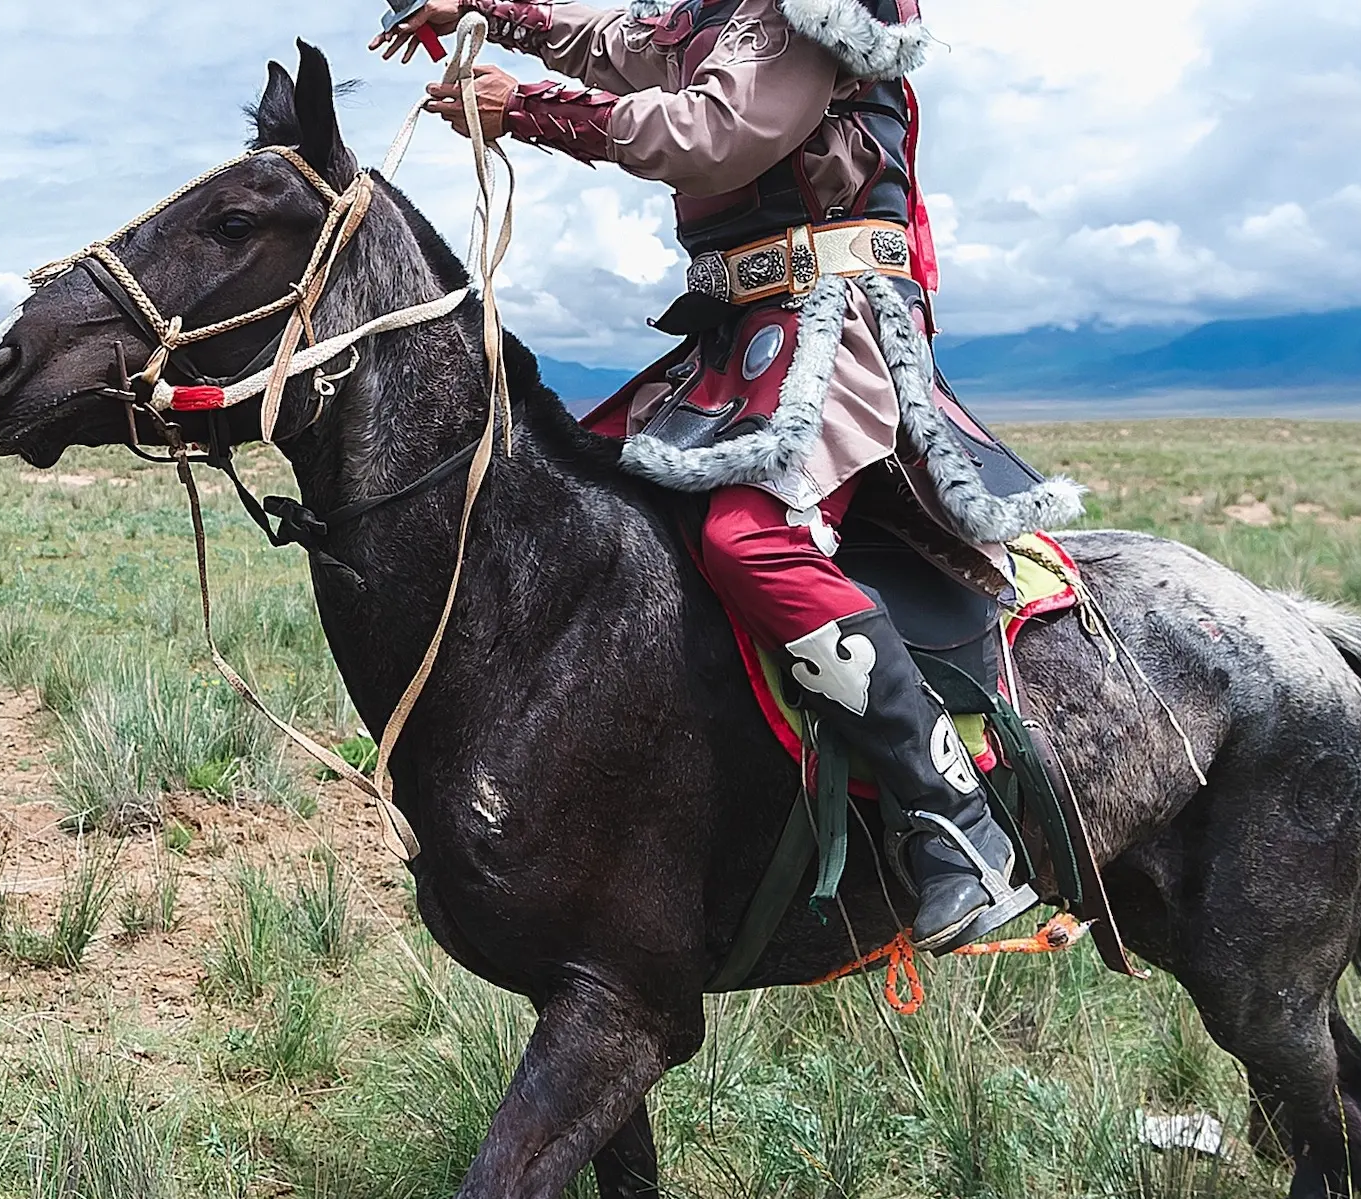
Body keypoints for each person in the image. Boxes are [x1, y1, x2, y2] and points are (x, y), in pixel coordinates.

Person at [372, 0, 1083, 954]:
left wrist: (527, 111)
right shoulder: (716, 12)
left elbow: (716, 134)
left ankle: (952, 814)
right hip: (738, 332)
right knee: (589, 508)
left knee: (749, 540)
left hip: (830, 324)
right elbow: (612, 46)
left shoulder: (810, 13)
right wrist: (489, 12)